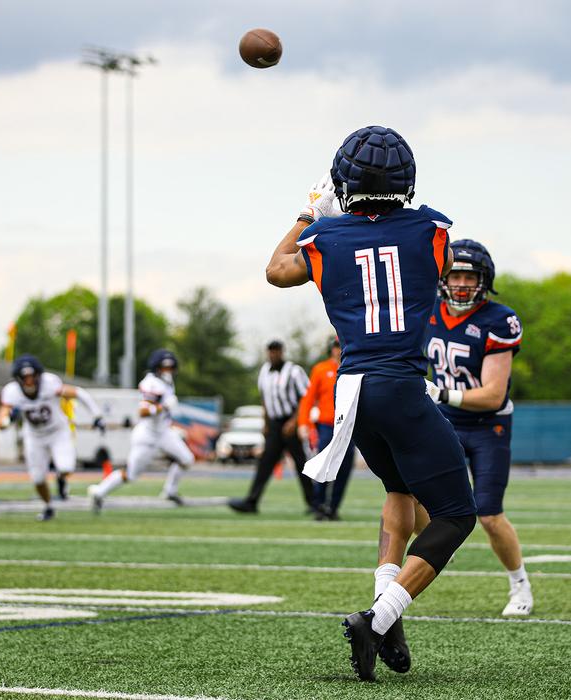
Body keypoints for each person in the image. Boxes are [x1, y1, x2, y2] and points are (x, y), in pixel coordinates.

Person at [265, 125, 477, 682]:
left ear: (342, 180)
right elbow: (436, 256)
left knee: (400, 490)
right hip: (400, 387)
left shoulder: (324, 239)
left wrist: (312, 213)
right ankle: (380, 616)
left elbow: (276, 269)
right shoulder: (431, 230)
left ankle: (387, 612)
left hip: (351, 391)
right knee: (456, 514)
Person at [423, 239, 532, 615]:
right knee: (417, 495)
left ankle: (520, 585)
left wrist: (440, 394)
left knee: (488, 512)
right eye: (455, 275)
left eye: (469, 276)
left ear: (484, 280)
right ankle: (437, 550)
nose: (461, 283)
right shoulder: (427, 310)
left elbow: (492, 396)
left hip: (489, 426)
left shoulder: (498, 320)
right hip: (446, 422)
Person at [0, 354, 104, 521]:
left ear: (39, 375)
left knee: (66, 467)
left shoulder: (50, 383)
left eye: (32, 376)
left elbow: (78, 393)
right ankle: (48, 506)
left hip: (57, 431)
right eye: (25, 377)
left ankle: (61, 479)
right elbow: (1, 420)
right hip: (34, 436)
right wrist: (8, 420)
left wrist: (97, 415)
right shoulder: (12, 392)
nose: (29, 381)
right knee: (38, 478)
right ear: (18, 378)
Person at [88, 349, 196, 512]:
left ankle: (170, 491)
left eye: (170, 367)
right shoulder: (150, 383)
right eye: (164, 367)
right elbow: (143, 412)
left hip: (164, 432)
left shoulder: (167, 382)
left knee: (187, 459)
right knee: (130, 474)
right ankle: (99, 492)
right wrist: (164, 406)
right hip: (147, 435)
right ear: (157, 367)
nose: (168, 371)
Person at [227, 340, 314, 514]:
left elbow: (306, 397)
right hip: (274, 424)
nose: (273, 355)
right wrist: (266, 423)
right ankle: (252, 501)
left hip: (291, 422)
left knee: (301, 463)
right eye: (270, 351)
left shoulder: (294, 371)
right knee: (265, 463)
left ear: (282, 352)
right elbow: (265, 400)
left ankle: (314, 503)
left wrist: (294, 421)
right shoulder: (265, 371)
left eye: (276, 351)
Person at [297, 338, 354, 520]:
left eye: (342, 346)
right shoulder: (321, 369)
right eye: (336, 346)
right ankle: (319, 504)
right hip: (327, 425)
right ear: (331, 349)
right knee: (324, 463)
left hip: (349, 425)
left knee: (345, 466)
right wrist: (303, 423)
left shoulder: (355, 367)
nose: (339, 350)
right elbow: (308, 398)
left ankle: (334, 506)